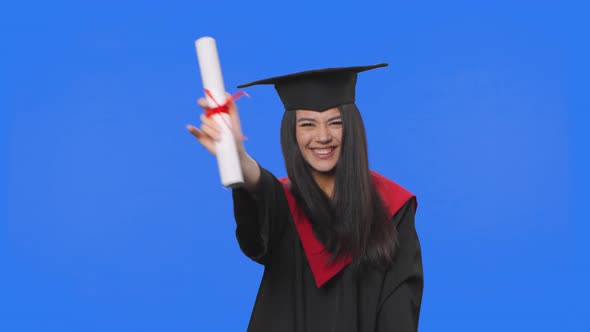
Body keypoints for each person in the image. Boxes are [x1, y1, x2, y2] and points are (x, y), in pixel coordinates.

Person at [187, 63, 423, 332]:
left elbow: (400, 304)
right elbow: (260, 188)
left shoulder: (392, 205)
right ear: (292, 133)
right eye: (307, 124)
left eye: (335, 123)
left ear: (353, 129)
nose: (322, 137)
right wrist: (238, 156)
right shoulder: (282, 202)